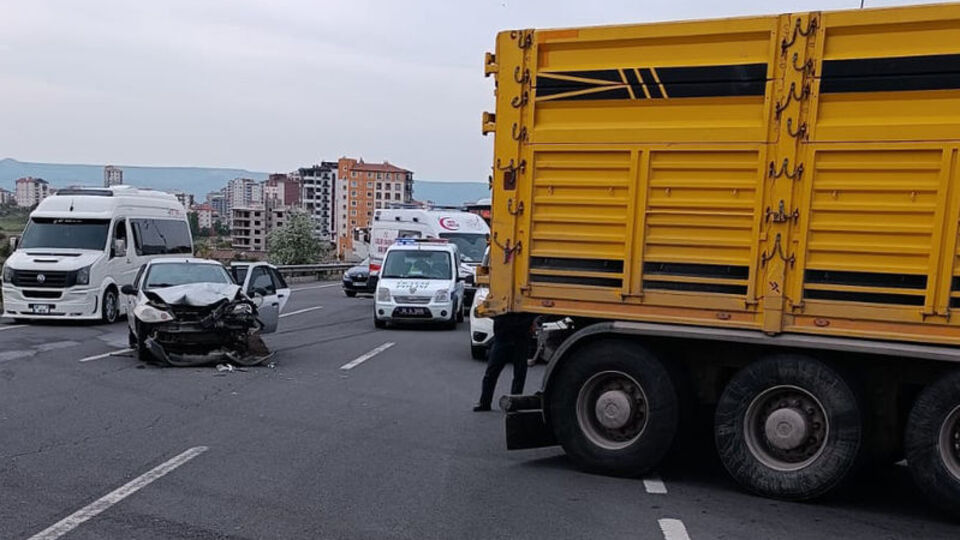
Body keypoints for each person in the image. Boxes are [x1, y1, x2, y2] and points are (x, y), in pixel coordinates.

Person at [474, 313, 533, 412]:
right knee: (492, 372)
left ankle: (514, 403)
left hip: (520, 337)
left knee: (519, 373)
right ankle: (485, 402)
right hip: (504, 336)